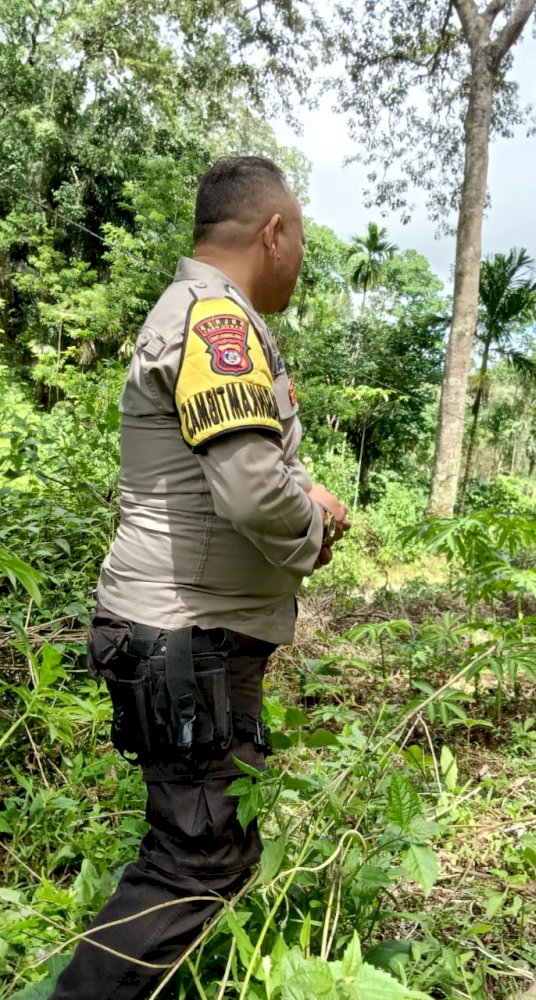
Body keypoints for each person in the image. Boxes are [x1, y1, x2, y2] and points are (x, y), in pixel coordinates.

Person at [51, 156, 350, 1000]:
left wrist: (302, 487)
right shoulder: (218, 319)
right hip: (187, 635)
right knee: (196, 863)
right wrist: (315, 523)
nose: (300, 255)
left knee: (203, 847)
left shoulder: (198, 312)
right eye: (300, 237)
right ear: (273, 231)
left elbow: (241, 464)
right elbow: (252, 491)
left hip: (191, 635)